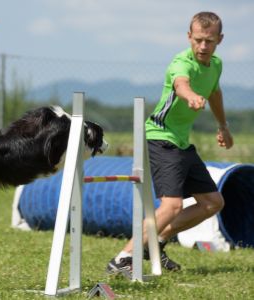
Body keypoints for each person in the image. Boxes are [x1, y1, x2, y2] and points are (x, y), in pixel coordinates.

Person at [107, 11, 234, 274]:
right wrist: (189, 96)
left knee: (212, 202)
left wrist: (223, 126)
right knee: (172, 205)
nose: (203, 46)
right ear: (189, 36)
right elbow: (181, 84)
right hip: (160, 138)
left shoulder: (216, 65)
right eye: (198, 39)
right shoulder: (181, 62)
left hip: (182, 143)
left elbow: (215, 92)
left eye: (209, 41)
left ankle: (156, 242)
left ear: (219, 40)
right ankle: (121, 259)